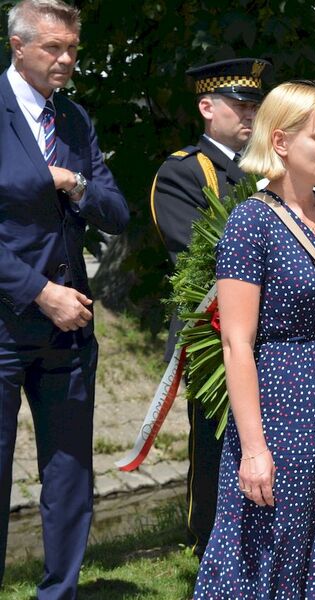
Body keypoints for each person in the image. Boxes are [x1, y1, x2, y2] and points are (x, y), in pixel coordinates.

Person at [193, 82, 315, 598]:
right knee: (266, 549)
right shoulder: (250, 222)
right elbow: (237, 343)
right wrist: (253, 449)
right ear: (280, 142)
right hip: (278, 405)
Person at [0, 0, 129, 596]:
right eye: (54, 48)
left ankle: (60, 593)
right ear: (17, 45)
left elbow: (116, 211)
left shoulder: (73, 120)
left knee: (70, 475)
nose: (67, 59)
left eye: (73, 49)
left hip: (68, 330)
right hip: (6, 322)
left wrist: (71, 180)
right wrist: (40, 292)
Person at [150, 56, 270, 561]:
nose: (248, 115)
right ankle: (207, 542)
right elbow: (198, 254)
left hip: (277, 329)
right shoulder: (183, 172)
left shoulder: (268, 168)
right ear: (207, 107)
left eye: (254, 106)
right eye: (238, 106)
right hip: (213, 329)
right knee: (215, 441)